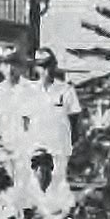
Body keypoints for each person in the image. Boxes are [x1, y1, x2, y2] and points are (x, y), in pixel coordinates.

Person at [27, 49, 81, 183]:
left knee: (57, 185)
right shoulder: (29, 91)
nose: (45, 70)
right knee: (35, 185)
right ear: (36, 68)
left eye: (48, 65)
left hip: (58, 148)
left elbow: (74, 119)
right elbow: (24, 120)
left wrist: (70, 143)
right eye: (41, 66)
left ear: (54, 65)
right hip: (35, 147)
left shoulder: (66, 90)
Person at [14, 148, 79, 219]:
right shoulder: (27, 187)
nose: (44, 174)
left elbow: (68, 211)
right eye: (40, 170)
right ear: (34, 170)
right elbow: (28, 214)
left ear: (51, 168)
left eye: (47, 169)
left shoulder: (61, 185)